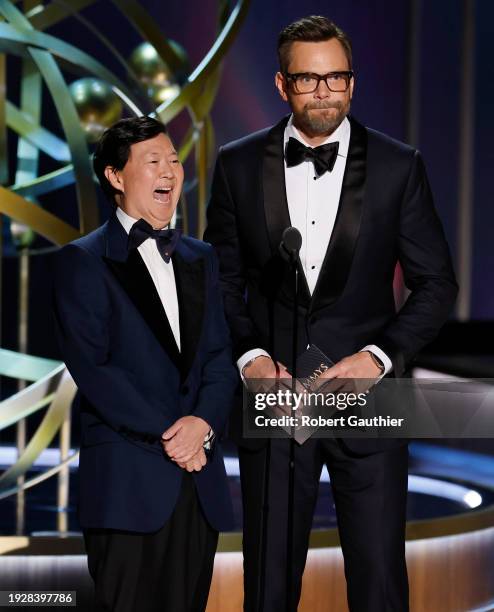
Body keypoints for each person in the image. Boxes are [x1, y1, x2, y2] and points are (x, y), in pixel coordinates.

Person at [204, 15, 458, 612]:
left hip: (372, 399)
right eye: (309, 80)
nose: (325, 91)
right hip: (277, 396)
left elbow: (436, 285)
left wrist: (377, 358)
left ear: (353, 82)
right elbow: (221, 281)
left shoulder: (399, 165)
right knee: (268, 586)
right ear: (281, 84)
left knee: (378, 584)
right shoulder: (238, 165)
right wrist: (251, 356)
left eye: (337, 77)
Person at [52, 116, 237, 612]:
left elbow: (220, 356)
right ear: (115, 177)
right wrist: (177, 435)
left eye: (174, 161)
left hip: (198, 484)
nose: (169, 172)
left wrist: (202, 424)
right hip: (128, 485)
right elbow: (95, 370)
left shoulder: (201, 257)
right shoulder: (83, 260)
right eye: (153, 161)